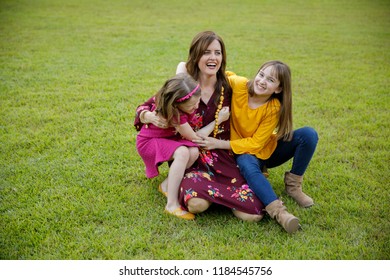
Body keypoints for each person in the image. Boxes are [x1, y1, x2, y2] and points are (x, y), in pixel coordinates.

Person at [134, 31, 265, 222]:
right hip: (191, 154)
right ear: (196, 57)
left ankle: (220, 197)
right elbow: (145, 106)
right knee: (197, 205)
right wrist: (149, 116)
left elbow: (259, 95)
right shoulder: (185, 86)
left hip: (220, 154)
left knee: (252, 215)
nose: (213, 57)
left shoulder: (229, 87)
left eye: (217, 53)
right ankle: (187, 190)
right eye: (206, 52)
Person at [195, 61, 319, 233]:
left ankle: (293, 186)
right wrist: (184, 69)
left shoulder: (274, 107)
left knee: (308, 135)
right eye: (261, 74)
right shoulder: (240, 85)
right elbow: (219, 73)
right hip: (242, 153)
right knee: (247, 163)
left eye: (270, 80)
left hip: (266, 150)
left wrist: (218, 143)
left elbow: (256, 143)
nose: (262, 81)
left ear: (278, 89)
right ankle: (280, 213)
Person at [136, 73, 229, 220]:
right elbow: (196, 137)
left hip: (165, 139)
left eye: (197, 102)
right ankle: (171, 205)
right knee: (183, 152)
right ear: (176, 104)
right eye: (192, 106)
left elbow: (182, 72)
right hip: (149, 142)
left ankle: (166, 185)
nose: (196, 107)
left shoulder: (177, 97)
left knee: (193, 151)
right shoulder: (175, 114)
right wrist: (218, 121)